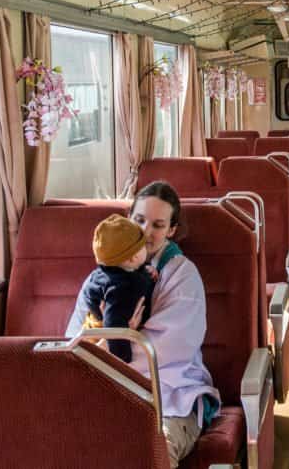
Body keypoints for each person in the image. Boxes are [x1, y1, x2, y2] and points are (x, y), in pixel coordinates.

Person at [66, 181, 220, 467]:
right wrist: (119, 335)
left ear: (171, 230)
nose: (146, 232)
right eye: (139, 220)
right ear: (128, 219)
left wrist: (112, 341)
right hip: (103, 394)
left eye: (158, 225)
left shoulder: (182, 276)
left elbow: (169, 349)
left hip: (169, 398)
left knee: (149, 450)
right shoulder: (100, 278)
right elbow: (72, 340)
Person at [76, 214, 157, 363]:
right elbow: (113, 326)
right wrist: (122, 359)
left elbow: (129, 268)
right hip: (97, 341)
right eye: (143, 246)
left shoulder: (112, 270)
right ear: (133, 257)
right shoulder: (121, 289)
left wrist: (145, 269)